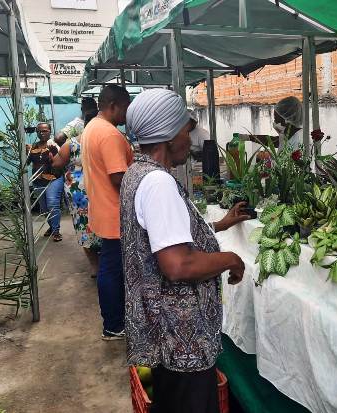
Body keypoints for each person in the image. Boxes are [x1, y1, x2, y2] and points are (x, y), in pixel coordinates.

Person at [121, 89, 249, 413]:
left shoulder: (137, 173)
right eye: (185, 130)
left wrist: (218, 226)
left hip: (162, 332)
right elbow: (178, 264)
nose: (188, 139)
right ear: (167, 134)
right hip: (181, 339)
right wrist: (231, 259)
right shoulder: (159, 183)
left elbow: (165, 236)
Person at [81, 85, 132, 340]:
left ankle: (114, 321)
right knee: (112, 270)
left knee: (110, 268)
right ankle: (113, 325)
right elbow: (118, 177)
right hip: (115, 214)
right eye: (126, 107)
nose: (127, 113)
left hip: (102, 209)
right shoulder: (109, 134)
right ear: (113, 106)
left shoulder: (91, 128)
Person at [52, 110, 100, 276]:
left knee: (83, 224)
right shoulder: (106, 140)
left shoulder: (72, 144)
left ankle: (96, 266)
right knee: (106, 223)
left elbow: (57, 163)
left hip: (78, 191)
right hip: (101, 187)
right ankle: (109, 259)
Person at [28, 122, 64, 242]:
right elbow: (27, 162)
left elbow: (61, 162)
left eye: (45, 131)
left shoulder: (55, 145)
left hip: (54, 178)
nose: (42, 133)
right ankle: (52, 226)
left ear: (50, 131)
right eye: (39, 131)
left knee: (52, 203)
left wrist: (52, 158)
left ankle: (56, 231)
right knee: (44, 208)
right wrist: (24, 152)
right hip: (38, 181)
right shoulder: (33, 147)